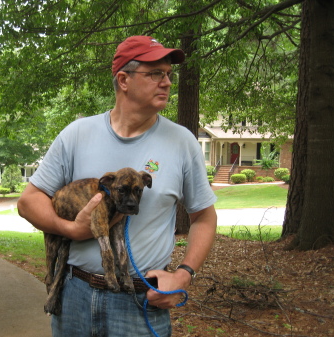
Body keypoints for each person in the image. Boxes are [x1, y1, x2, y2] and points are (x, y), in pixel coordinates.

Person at [18, 35, 217, 337]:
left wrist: (184, 274)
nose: (166, 82)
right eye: (155, 73)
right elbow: (28, 201)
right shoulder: (77, 134)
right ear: (123, 80)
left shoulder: (182, 142)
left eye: (168, 74)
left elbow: (204, 216)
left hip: (140, 304)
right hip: (74, 298)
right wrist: (71, 229)